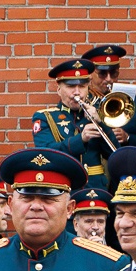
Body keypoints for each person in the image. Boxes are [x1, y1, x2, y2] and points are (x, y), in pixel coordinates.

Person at [33, 57, 114, 188]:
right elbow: (45, 154)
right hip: (65, 188)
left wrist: (101, 123)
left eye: (82, 86)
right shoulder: (45, 117)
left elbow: (115, 154)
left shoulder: (97, 114)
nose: (77, 92)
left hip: (96, 188)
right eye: (71, 86)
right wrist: (80, 139)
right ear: (59, 90)